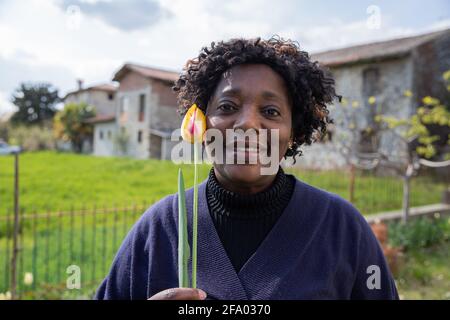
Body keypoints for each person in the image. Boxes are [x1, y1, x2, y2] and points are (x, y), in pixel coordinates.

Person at [94, 37, 399, 300]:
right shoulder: (159, 229)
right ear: (202, 121)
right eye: (227, 107)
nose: (248, 124)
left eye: (270, 111)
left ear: (294, 131)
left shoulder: (342, 228)